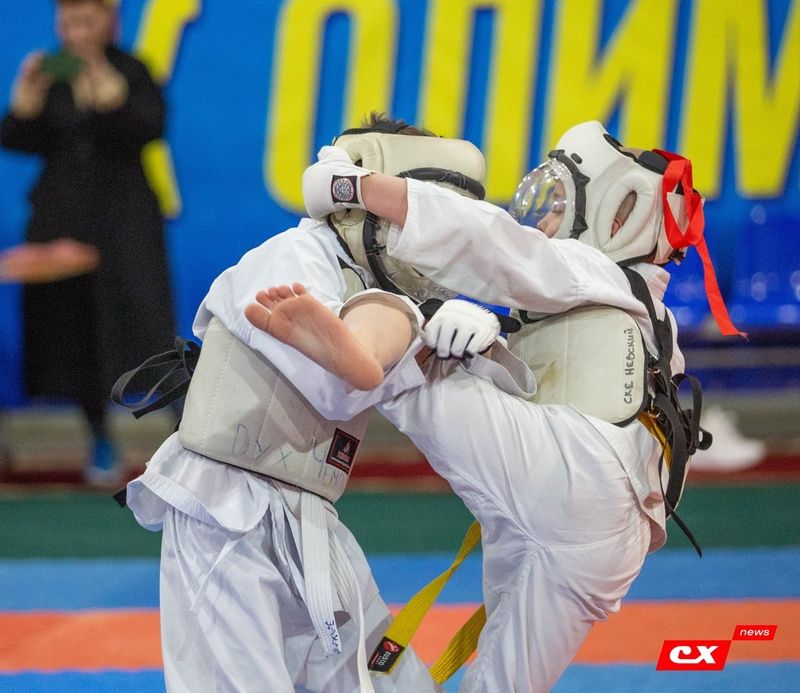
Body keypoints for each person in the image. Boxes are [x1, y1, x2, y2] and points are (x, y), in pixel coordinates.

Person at [251, 120, 736, 691]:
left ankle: (367, 334)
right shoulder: (653, 322)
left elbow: (490, 243)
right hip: (610, 544)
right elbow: (557, 391)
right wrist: (484, 348)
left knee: (419, 362)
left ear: (616, 218)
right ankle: (394, 343)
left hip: (579, 474)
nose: (545, 222)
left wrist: (356, 188)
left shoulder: (595, 268)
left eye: (559, 206)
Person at [120, 115, 493, 692]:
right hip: (224, 511)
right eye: (421, 215)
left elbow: (424, 410)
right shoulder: (293, 255)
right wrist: (418, 329)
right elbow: (336, 386)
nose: (435, 243)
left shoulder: (377, 290)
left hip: (309, 516)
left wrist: (465, 349)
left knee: (393, 684)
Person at [0, 0, 174, 484]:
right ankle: (98, 436)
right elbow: (16, 137)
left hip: (125, 221)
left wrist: (107, 92)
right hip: (63, 221)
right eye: (67, 21)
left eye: (86, 20)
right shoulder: (50, 74)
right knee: (73, 331)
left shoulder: (132, 70)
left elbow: (150, 127)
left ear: (109, 20)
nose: (75, 31)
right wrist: (24, 101)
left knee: (148, 324)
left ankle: (187, 435)